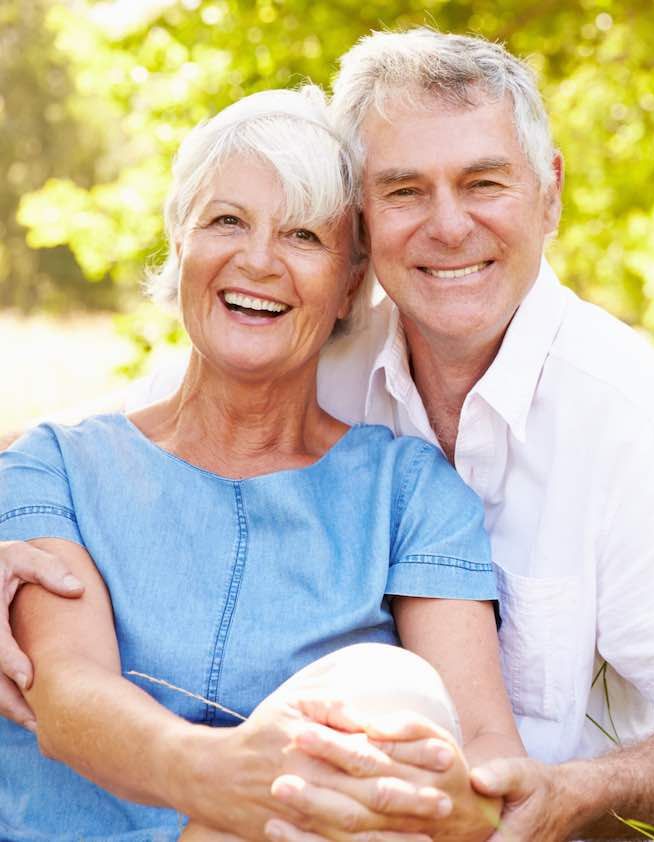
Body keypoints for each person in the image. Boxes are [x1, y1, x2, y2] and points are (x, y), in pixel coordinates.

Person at [1, 26, 654, 841]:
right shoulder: (80, 452)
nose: (448, 227)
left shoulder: (611, 425)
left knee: (377, 690)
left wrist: (559, 795)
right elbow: (124, 452)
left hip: (411, 815)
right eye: (405, 190)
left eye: (483, 182)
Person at [0, 86, 520, 840]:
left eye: (304, 236)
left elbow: (484, 753)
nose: (258, 260)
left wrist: (434, 793)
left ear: (350, 285)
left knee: (391, 688)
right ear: (181, 244)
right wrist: (234, 779)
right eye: (226, 222)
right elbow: (69, 698)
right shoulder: (53, 467)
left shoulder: (408, 493)